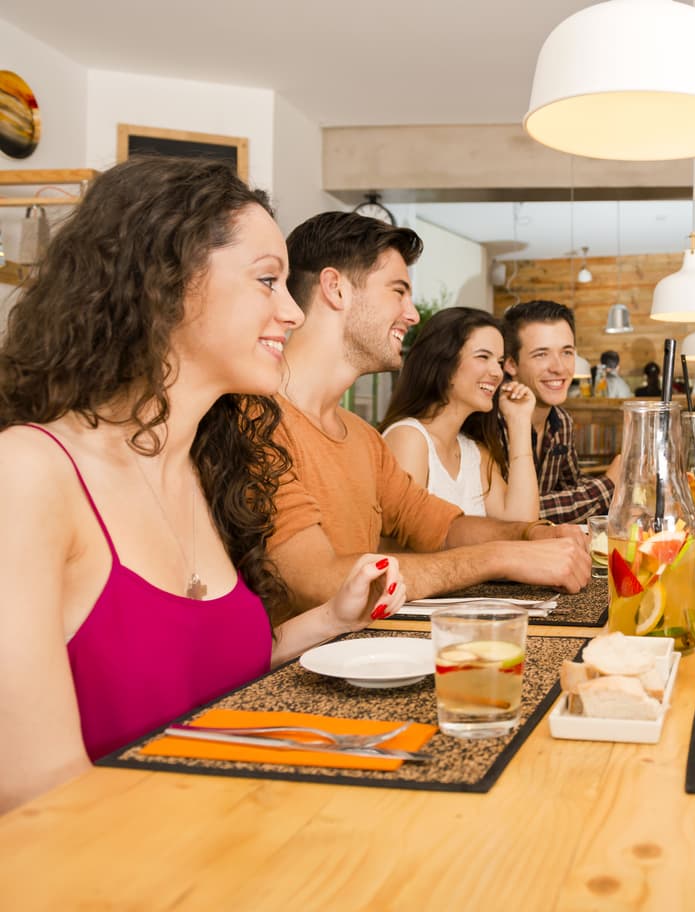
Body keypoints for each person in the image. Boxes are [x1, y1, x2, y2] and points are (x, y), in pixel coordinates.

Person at [0, 158, 406, 814]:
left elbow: (202, 675)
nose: (293, 312)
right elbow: (35, 797)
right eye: (268, 281)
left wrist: (330, 620)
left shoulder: (211, 470)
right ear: (168, 284)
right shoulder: (28, 475)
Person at [270, 214, 589, 616]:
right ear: (335, 288)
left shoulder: (362, 436)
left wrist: (533, 533)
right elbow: (318, 584)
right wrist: (499, 557)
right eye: (398, 291)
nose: (413, 314)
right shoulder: (258, 421)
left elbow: (440, 527)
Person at [380, 308, 538, 521]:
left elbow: (520, 523)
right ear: (443, 362)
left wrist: (519, 421)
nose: (498, 372)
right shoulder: (408, 439)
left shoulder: (475, 453)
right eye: (483, 357)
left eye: (499, 362)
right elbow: (399, 545)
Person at [501, 299, 622, 523]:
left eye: (567, 352)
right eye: (541, 354)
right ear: (511, 364)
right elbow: (512, 515)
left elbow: (572, 488)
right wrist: (609, 484)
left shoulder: (561, 421)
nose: (559, 367)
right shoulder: (490, 423)